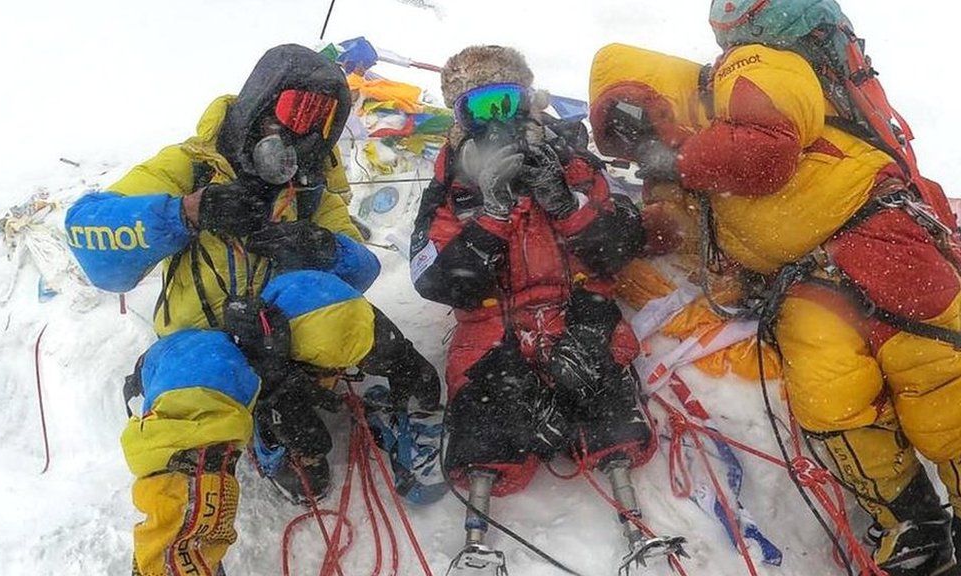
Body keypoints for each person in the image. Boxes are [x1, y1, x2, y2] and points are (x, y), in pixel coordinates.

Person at [589, 4, 961, 571]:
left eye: (633, 116)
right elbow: (678, 238)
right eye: (619, 133)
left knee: (939, 382)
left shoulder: (752, 66)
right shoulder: (688, 161)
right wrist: (599, 225)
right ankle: (911, 527)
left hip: (877, 233)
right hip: (805, 282)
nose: (633, 137)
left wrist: (677, 156)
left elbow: (766, 154)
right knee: (832, 405)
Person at [66, 44, 441, 576]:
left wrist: (322, 247)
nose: (303, 135)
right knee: (204, 377)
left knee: (328, 306)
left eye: (323, 122)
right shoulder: (190, 166)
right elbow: (91, 237)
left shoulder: (308, 189)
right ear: (258, 103)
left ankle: (406, 387)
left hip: (281, 342)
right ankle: (180, 559)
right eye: (297, 111)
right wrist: (187, 212)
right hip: (200, 345)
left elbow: (362, 267)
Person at [410, 45, 663, 568]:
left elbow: (620, 245)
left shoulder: (568, 161)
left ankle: (636, 525)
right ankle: (478, 545)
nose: (499, 121)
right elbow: (433, 279)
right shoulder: (451, 184)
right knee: (489, 444)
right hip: (491, 333)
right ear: (460, 117)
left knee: (610, 424)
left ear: (530, 100)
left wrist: (566, 205)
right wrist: (493, 215)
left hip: (579, 317)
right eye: (480, 109)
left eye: (509, 102)